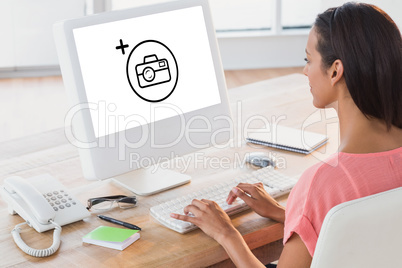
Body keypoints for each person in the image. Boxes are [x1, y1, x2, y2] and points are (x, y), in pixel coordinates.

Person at [171, 2, 402, 267]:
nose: (305, 70)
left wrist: (226, 233)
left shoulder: (322, 183)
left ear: (336, 71)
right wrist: (291, 214)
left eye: (309, 60)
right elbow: (369, 224)